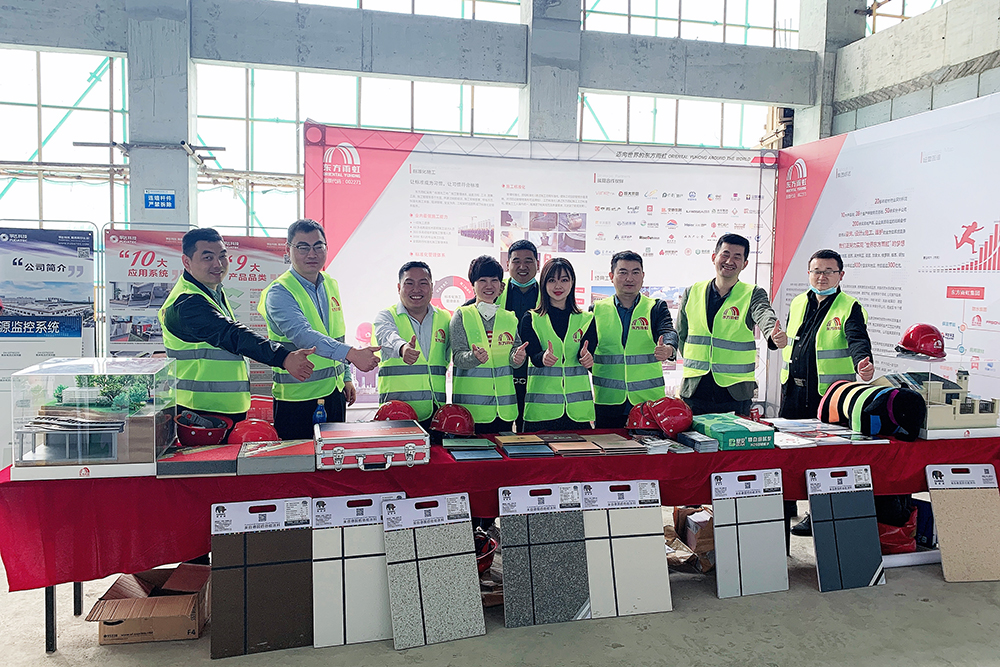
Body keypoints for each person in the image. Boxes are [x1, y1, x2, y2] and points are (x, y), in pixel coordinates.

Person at [159, 227, 315, 427]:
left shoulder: (211, 292)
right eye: (208, 258)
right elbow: (232, 334)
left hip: (221, 408)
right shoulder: (187, 303)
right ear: (186, 262)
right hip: (200, 412)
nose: (218, 264)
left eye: (222, 256)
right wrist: (283, 357)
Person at [259, 219, 380, 439]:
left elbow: (337, 335)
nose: (311, 254)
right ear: (288, 249)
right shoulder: (279, 292)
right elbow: (303, 335)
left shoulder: (330, 284)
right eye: (302, 247)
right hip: (297, 399)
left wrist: (346, 377)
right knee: (300, 459)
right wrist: (353, 355)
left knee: (335, 456)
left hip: (334, 393)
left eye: (318, 246)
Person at [781, 248, 874, 537]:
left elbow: (857, 339)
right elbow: (789, 340)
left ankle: (818, 514)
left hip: (827, 396)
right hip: (792, 391)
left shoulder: (849, 306)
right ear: (809, 273)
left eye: (829, 272)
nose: (822, 277)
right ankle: (786, 505)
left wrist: (862, 362)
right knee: (787, 452)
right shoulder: (799, 302)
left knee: (822, 457)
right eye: (817, 271)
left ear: (840, 275)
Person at [677, 233, 786, 416]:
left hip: (735, 393)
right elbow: (681, 334)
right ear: (714, 257)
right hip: (694, 391)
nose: (729, 261)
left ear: (745, 264)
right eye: (725, 254)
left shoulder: (752, 293)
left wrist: (772, 334)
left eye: (737, 257)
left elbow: (764, 314)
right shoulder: (692, 291)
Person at [590, 250, 676, 428]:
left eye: (635, 272)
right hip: (608, 401)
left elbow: (668, 331)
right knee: (609, 444)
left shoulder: (655, 307)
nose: (629, 278)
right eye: (623, 272)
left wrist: (668, 348)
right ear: (611, 276)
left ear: (643, 276)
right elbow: (587, 348)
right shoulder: (596, 310)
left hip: (648, 403)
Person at [451, 255, 528, 434]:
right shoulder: (462, 315)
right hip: (471, 410)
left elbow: (514, 356)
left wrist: (518, 358)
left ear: (501, 286)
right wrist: (473, 357)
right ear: (473, 284)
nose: (489, 286)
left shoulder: (509, 317)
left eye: (494, 280)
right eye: (482, 280)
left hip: (504, 409)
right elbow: (458, 357)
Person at [518, 257, 597, 432]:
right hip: (541, 412)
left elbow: (591, 356)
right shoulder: (531, 319)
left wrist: (588, 359)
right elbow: (533, 355)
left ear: (572, 282)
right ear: (544, 284)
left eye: (564, 280)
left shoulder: (587, 319)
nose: (558, 286)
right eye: (552, 280)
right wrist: (542, 358)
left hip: (577, 412)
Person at [374, 261, 451, 431]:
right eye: (409, 283)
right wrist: (403, 348)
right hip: (396, 413)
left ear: (432, 287)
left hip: (436, 414)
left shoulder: (445, 318)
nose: (416, 289)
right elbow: (387, 336)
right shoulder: (387, 316)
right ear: (399, 287)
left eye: (423, 283)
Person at [502, 239, 541, 432]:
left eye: (528, 261)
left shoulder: (551, 294)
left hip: (537, 378)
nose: (522, 267)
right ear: (507, 264)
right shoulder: (494, 292)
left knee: (531, 436)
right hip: (502, 377)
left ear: (538, 264)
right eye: (516, 261)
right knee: (501, 434)